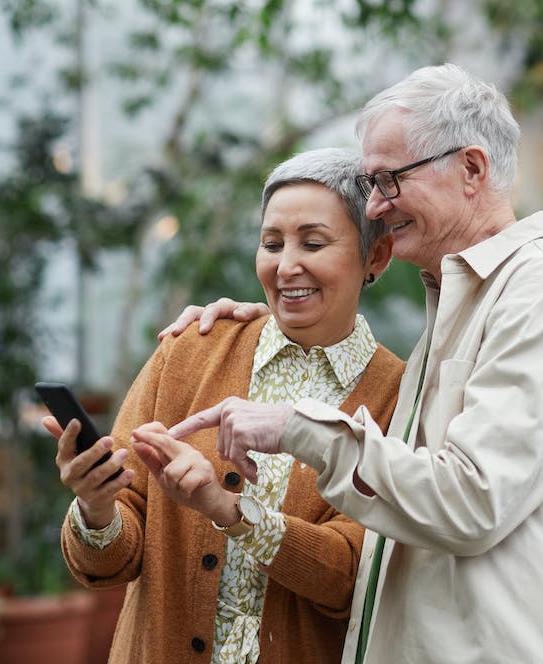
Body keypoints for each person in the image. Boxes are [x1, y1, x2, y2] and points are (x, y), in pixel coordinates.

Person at [163, 63, 543, 663]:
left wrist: (293, 427)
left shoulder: (541, 297)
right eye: (370, 185)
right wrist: (268, 319)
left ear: (471, 168)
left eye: (388, 180)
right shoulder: (465, 303)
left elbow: (470, 501)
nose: (377, 208)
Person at [44, 148, 404, 664]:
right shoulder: (191, 349)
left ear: (377, 256)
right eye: (271, 243)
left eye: (314, 242)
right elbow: (108, 561)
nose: (286, 265)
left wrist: (228, 510)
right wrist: (97, 507)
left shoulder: (399, 395)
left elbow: (354, 579)